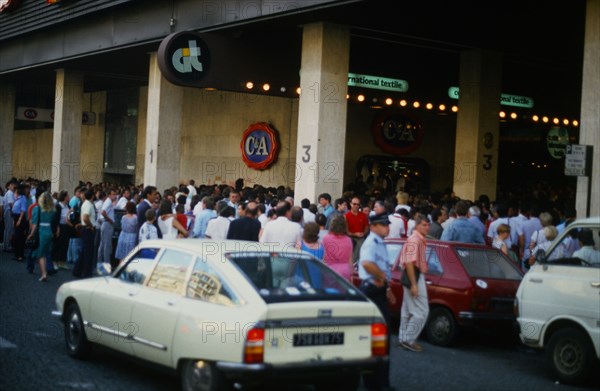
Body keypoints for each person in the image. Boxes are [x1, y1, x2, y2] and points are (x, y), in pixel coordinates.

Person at [357, 212, 394, 391]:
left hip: (378, 290)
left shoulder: (380, 242)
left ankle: (380, 383)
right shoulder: (371, 242)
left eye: (387, 224)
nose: (387, 227)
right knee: (378, 337)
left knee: (381, 339)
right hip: (372, 290)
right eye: (383, 225)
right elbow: (366, 263)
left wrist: (387, 287)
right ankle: (376, 384)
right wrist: (382, 277)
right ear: (373, 226)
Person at [396, 215, 430, 353]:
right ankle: (408, 339)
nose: (427, 227)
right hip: (414, 276)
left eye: (427, 225)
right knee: (422, 311)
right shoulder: (415, 240)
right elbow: (409, 263)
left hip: (414, 275)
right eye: (424, 225)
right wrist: (414, 284)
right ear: (416, 226)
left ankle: (403, 338)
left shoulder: (417, 239)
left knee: (406, 310)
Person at [27, 192, 56, 282]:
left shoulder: (37, 208)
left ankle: (44, 274)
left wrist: (31, 234)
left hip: (41, 231)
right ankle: (45, 272)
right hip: (49, 231)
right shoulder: (53, 210)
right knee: (45, 252)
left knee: (41, 254)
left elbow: (35, 224)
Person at [73, 189, 96, 279]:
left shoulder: (86, 204)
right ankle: (86, 272)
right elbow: (85, 218)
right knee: (88, 252)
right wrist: (90, 226)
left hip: (86, 228)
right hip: (88, 229)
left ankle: (77, 271)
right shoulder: (88, 205)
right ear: (92, 196)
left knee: (84, 252)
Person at [322, 215, 354, 280]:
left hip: (329, 270)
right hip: (345, 271)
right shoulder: (348, 240)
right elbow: (350, 259)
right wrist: (351, 275)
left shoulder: (326, 238)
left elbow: (323, 257)